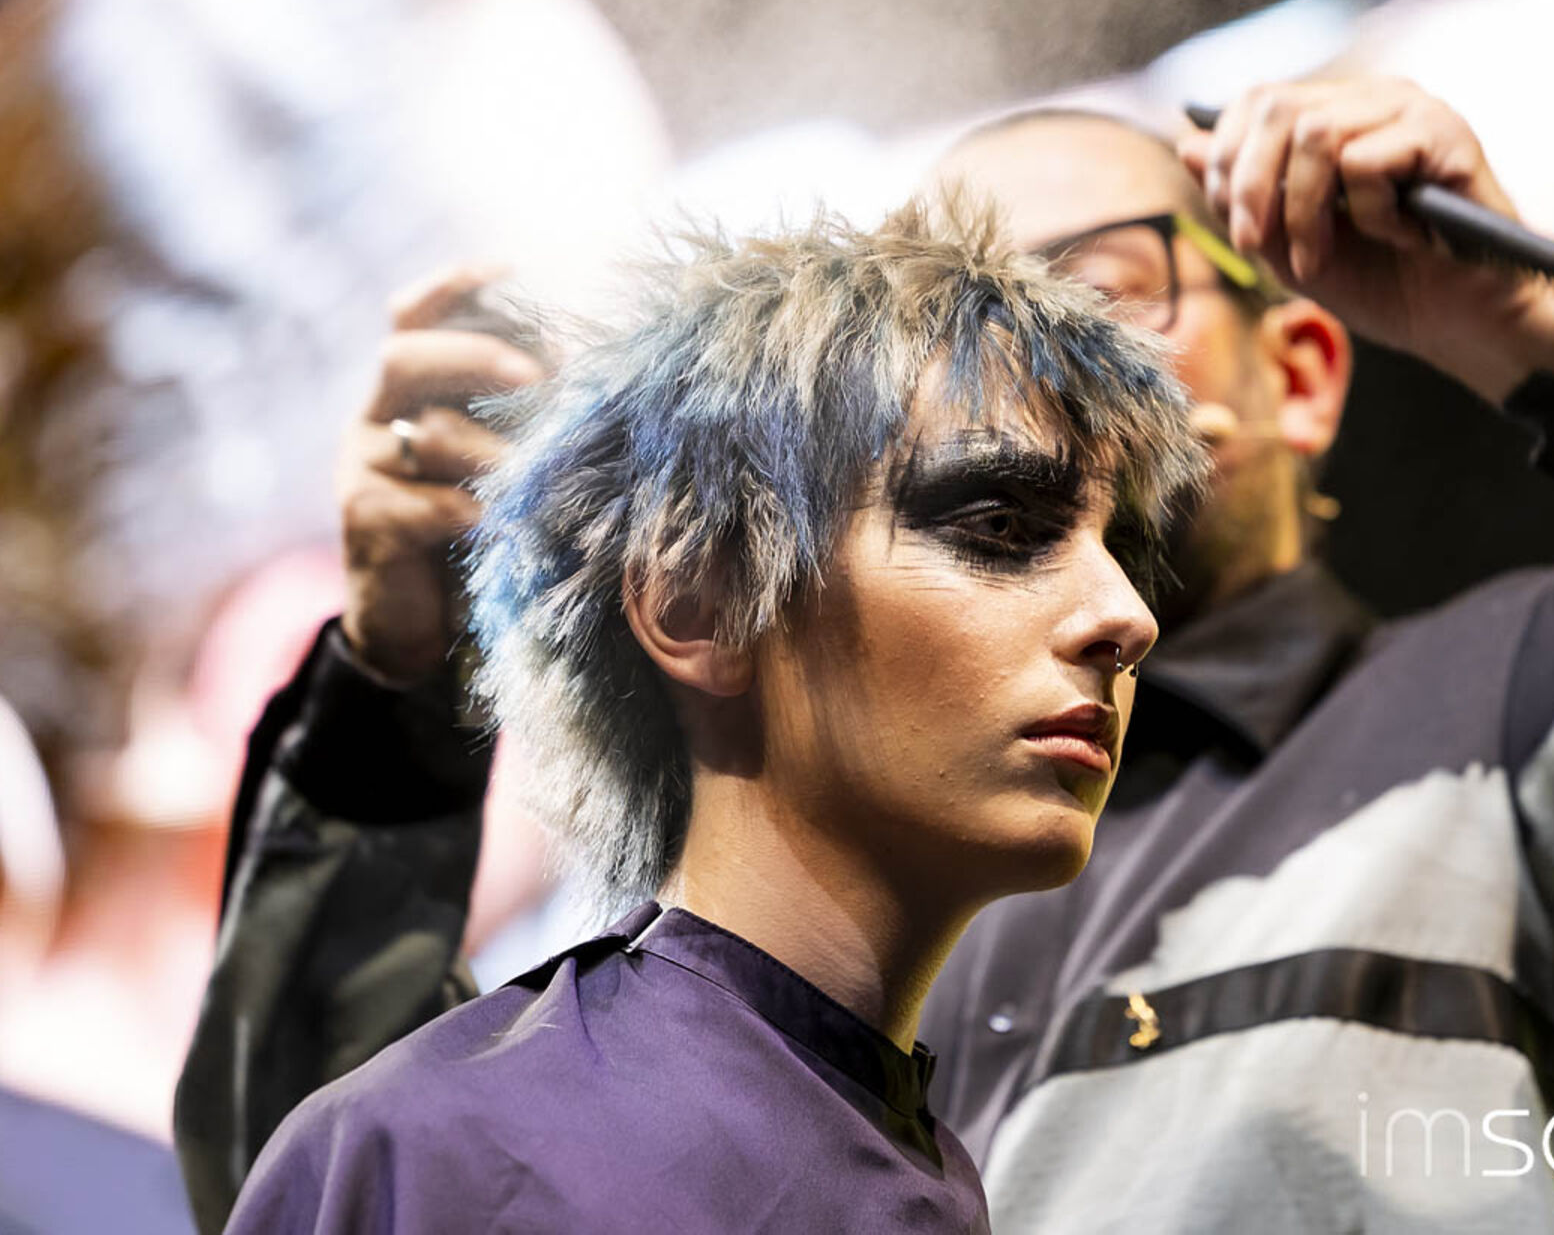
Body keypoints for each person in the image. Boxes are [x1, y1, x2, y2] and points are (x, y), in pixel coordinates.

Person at [180, 79, 1554, 1233]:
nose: (1029, 357)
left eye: (1094, 283)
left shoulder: (1518, 705)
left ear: (1303, 368)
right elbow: (315, 1166)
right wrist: (398, 678)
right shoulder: (777, 850)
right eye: (956, 312)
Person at [216, 203, 1202, 1233]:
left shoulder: (914, 1160)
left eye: (1121, 550)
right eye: (999, 525)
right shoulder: (445, 1154)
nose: (1127, 616)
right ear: (700, 606)